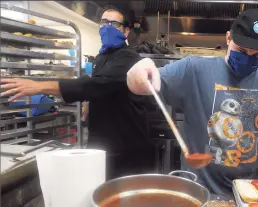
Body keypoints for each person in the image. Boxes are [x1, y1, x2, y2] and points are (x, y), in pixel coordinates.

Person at [126, 9, 258, 198]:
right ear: (228, 38)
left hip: (246, 193)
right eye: (241, 50)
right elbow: (139, 85)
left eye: (256, 55)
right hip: (199, 190)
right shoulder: (193, 70)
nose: (248, 58)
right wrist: (137, 71)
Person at [0, 6, 154, 180]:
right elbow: (101, 85)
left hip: (127, 146)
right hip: (105, 141)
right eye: (103, 22)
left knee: (124, 201)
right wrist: (88, 102)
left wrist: (39, 86)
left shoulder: (128, 57)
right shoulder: (102, 57)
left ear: (126, 31)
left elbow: (96, 84)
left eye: (114, 24)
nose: (107, 27)